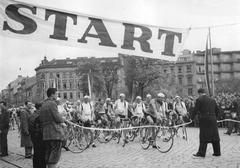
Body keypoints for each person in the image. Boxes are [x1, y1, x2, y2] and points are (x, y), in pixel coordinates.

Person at [40, 88, 66, 168]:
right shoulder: (52, 103)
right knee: (55, 155)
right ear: (52, 94)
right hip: (54, 133)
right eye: (56, 94)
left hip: (46, 134)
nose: (57, 96)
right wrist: (63, 121)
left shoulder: (44, 104)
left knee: (48, 153)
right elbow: (57, 117)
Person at [191, 88, 221, 158]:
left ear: (199, 93)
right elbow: (217, 110)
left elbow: (195, 110)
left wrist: (191, 118)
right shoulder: (212, 100)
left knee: (203, 136)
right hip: (213, 119)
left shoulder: (199, 99)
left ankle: (201, 153)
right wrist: (216, 118)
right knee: (215, 136)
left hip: (205, 119)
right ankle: (217, 152)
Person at [29, 102, 46, 168]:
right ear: (40, 108)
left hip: (35, 137)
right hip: (39, 138)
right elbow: (38, 128)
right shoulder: (37, 116)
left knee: (36, 153)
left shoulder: (33, 115)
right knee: (40, 154)